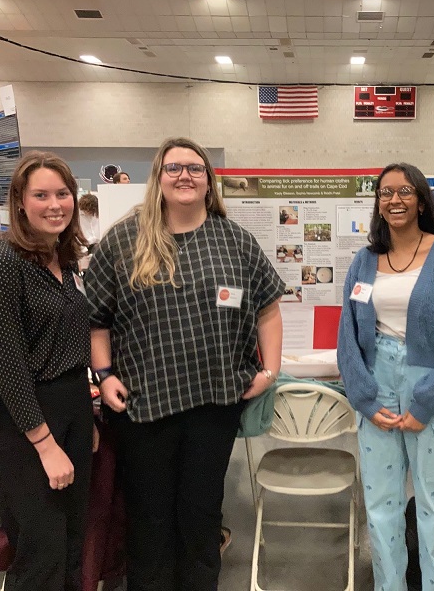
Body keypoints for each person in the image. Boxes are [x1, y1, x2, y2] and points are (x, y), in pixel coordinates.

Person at [84, 137, 284, 591]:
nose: (185, 176)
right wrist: (106, 373)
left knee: (200, 521)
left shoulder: (234, 240)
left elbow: (268, 307)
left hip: (213, 405)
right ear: (158, 178)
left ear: (209, 182)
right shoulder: (123, 239)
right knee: (149, 522)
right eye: (174, 168)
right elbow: (96, 319)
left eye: (195, 168)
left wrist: (268, 370)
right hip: (143, 406)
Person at [338, 162, 434, 591]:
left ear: (420, 199)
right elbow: (348, 333)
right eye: (385, 193)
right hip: (377, 384)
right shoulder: (365, 260)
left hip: (429, 382)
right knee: (381, 506)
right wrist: (364, 397)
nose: (394, 200)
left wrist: (427, 401)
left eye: (404, 191)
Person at [0, 151, 95, 591]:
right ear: (20, 202)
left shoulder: (64, 260)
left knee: (70, 542)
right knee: (39, 551)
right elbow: (6, 365)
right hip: (22, 417)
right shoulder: (4, 264)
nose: (55, 204)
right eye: (41, 195)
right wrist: (45, 443)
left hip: (70, 405)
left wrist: (83, 414)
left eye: (63, 193)